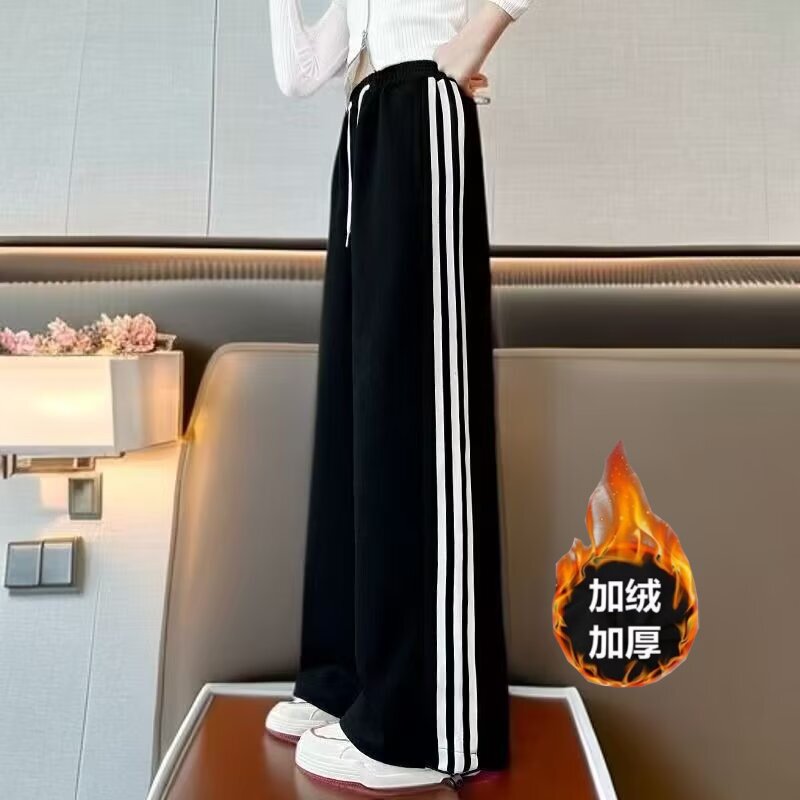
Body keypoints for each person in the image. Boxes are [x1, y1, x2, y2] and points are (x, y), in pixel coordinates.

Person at [264, 0, 532, 790]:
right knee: (360, 414)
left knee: (416, 409)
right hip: (368, 119)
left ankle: (421, 729)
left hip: (421, 110)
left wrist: (475, 37)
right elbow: (299, 74)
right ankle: (346, 680)